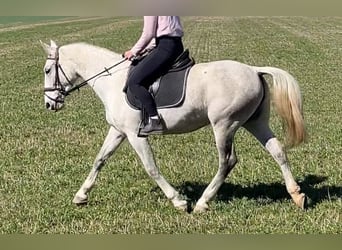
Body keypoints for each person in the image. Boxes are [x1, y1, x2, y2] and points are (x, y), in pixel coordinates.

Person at [124, 16, 184, 135]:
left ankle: (155, 120)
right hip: (176, 45)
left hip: (165, 47)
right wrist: (146, 48)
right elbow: (164, 29)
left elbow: (148, 33)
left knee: (134, 82)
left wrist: (133, 51)